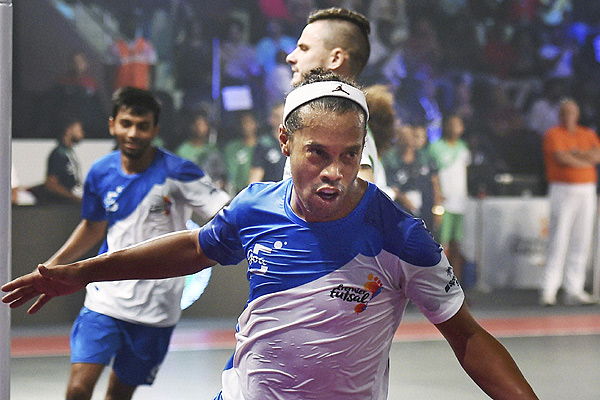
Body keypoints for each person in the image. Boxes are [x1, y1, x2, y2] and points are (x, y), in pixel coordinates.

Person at [2, 70, 539, 400]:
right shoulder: (255, 206)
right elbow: (192, 249)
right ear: (286, 142)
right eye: (317, 154)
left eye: (349, 155)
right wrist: (82, 272)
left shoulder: (400, 234)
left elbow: (467, 337)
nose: (335, 172)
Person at [17, 87, 230, 400]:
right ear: (112, 125)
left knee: (117, 395)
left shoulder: (180, 172)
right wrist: (52, 266)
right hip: (104, 300)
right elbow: (92, 226)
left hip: (157, 310)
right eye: (126, 123)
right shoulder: (100, 171)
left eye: (142, 126)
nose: (133, 133)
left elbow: (227, 214)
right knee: (77, 390)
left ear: (155, 130)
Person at [283, 7, 383, 185]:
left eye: (304, 49)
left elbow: (363, 194)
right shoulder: (345, 124)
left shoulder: (344, 127)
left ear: (336, 58)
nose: (290, 57)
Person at [540, 98, 600, 306]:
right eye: (565, 112)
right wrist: (584, 160)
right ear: (560, 115)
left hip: (587, 190)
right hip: (563, 189)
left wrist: (576, 154)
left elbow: (597, 155)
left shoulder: (587, 133)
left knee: (581, 240)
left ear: (578, 114)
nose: (569, 116)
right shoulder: (553, 134)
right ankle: (549, 289)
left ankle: (574, 288)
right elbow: (561, 158)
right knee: (558, 238)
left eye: (572, 112)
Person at [428, 114, 471, 279]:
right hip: (443, 204)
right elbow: (432, 175)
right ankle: (438, 282)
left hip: (459, 203)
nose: (456, 128)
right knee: (441, 244)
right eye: (452, 124)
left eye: (459, 124)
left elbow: (464, 173)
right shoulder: (435, 148)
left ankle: (456, 283)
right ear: (445, 126)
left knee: (456, 245)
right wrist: (437, 195)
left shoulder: (463, 148)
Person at [29, 116, 85, 205]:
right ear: (69, 130)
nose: (82, 133)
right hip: (63, 205)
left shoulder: (69, 153)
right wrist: (73, 198)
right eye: (79, 129)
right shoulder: (58, 154)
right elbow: (51, 183)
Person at [248, 103, 286, 184]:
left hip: (292, 189)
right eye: (276, 116)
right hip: (273, 190)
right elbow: (256, 174)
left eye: (283, 115)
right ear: (270, 119)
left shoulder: (294, 141)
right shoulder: (264, 144)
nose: (280, 119)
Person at [224, 111, 258, 195]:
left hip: (259, 192)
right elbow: (229, 173)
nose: (246, 126)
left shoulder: (263, 146)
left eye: (249, 122)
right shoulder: (231, 148)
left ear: (256, 124)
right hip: (238, 192)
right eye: (243, 123)